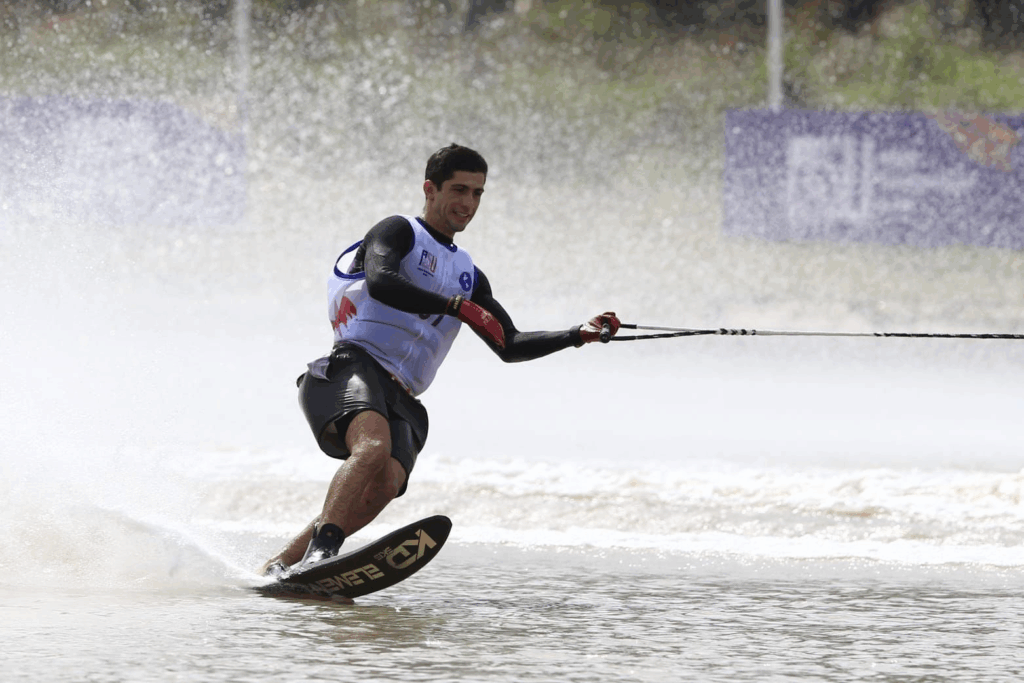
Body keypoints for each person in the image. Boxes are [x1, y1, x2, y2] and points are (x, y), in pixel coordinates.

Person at [260, 143, 620, 576]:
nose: (468, 203)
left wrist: (577, 334)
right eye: (459, 190)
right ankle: (324, 551)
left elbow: (508, 344)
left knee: (387, 483)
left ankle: (283, 566)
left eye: (477, 193)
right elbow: (381, 280)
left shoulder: (469, 275)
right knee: (373, 449)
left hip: (403, 395)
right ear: (430, 189)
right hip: (352, 367)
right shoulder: (398, 231)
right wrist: (454, 306)